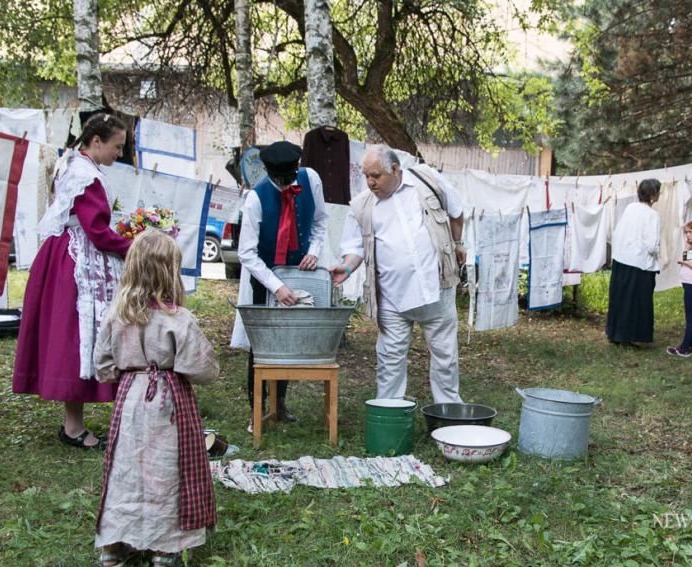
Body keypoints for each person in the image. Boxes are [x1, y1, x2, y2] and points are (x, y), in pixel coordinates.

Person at [93, 229, 218, 567]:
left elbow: (102, 366)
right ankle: (164, 548)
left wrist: (125, 373)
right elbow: (203, 368)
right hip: (169, 403)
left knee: (127, 469)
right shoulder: (178, 320)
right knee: (166, 469)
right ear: (170, 272)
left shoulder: (115, 316)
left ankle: (114, 546)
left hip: (130, 401)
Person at [13, 113, 132, 449]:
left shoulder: (73, 164)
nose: (118, 154)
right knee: (80, 336)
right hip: (79, 263)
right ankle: (73, 426)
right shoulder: (85, 175)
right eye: (116, 146)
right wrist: (135, 246)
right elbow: (96, 232)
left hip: (65, 255)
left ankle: (74, 423)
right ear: (96, 141)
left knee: (77, 337)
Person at [331, 145, 466, 404]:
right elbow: (354, 248)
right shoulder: (361, 206)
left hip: (436, 290)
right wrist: (346, 268)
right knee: (389, 360)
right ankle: (388, 414)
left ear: (395, 169)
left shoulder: (426, 180)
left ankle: (449, 414)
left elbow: (456, 210)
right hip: (392, 299)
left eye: (376, 175)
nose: (370, 182)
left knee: (445, 357)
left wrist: (459, 243)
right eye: (366, 175)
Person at [230, 140, 328, 432]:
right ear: (269, 173)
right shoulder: (255, 199)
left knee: (290, 340)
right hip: (265, 277)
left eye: (290, 178)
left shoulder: (311, 180)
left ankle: (280, 403)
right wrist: (275, 287)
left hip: (299, 273)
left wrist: (314, 251)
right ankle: (257, 410)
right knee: (262, 346)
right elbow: (247, 253)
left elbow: (321, 222)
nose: (287, 185)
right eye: (280, 180)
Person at [606, 179, 662, 347]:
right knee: (635, 300)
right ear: (653, 195)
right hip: (639, 262)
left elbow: (619, 232)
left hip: (621, 259)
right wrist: (656, 252)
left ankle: (615, 333)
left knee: (620, 298)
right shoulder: (652, 215)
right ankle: (628, 335)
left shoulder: (630, 208)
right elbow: (652, 244)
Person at [667, 219, 692, 357]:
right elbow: (683, 256)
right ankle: (688, 346)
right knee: (690, 315)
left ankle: (686, 347)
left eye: (690, 232)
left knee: (690, 317)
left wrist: (685, 261)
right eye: (686, 233)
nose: (688, 235)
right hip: (688, 284)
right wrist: (686, 245)